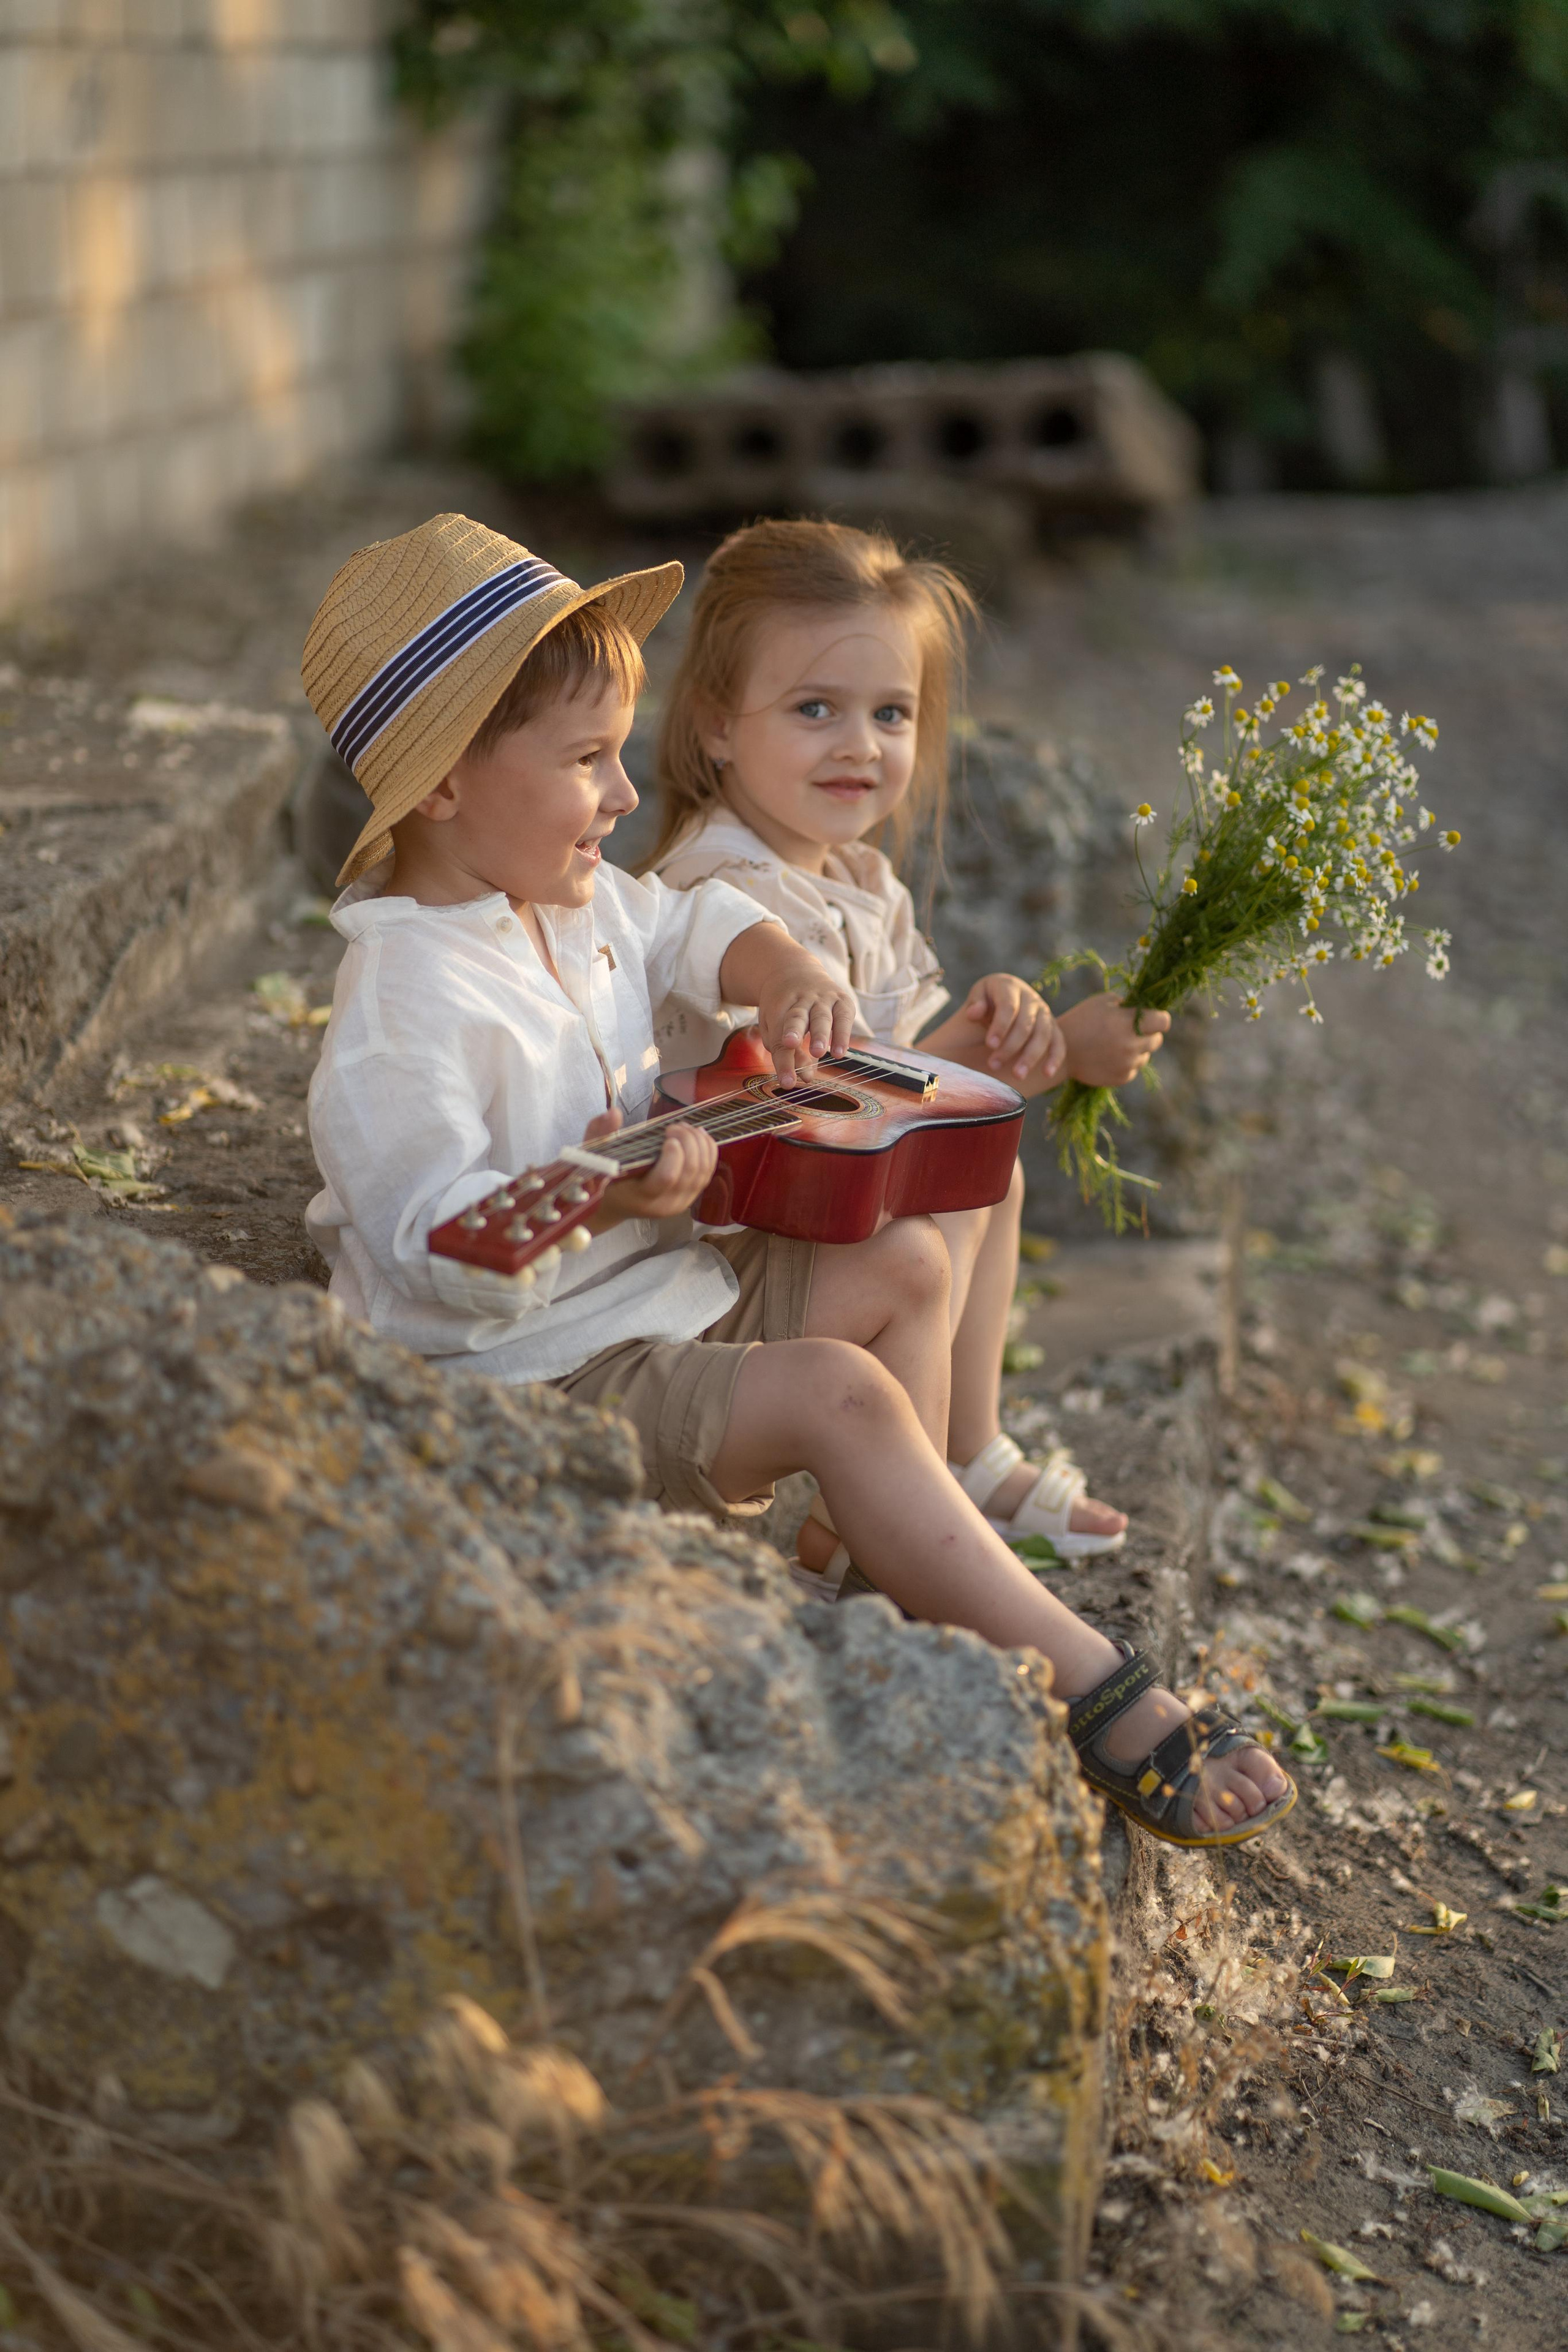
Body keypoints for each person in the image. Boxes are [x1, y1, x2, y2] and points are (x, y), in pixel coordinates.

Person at [300, 511, 1292, 1849]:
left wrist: (782, 970)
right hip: (526, 1384)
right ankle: (1089, 1684)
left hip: (645, 1300)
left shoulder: (576, 901)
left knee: (903, 1262)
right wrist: (600, 1195)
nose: (623, 797)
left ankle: (878, 1555)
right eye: (588, 760)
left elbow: (694, 921)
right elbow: (428, 1247)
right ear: (442, 786)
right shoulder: (406, 999)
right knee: (836, 1389)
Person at [646, 517, 1171, 1566]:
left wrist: (1028, 1036)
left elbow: (904, 1080)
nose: (861, 744)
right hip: (719, 1253)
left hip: (812, 1209)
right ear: (714, 725)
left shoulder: (858, 881)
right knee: (943, 1198)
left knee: (989, 1171)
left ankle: (964, 1454)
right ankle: (901, 1522)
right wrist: (1035, 1054)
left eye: (893, 712)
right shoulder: (722, 888)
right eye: (814, 710)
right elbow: (842, 1108)